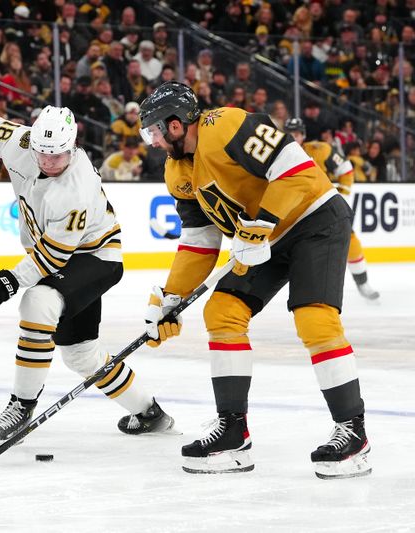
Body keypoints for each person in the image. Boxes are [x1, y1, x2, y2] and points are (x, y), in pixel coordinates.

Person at [137, 81, 370, 479]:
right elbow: (200, 240)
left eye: (154, 130)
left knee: (314, 319)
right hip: (263, 237)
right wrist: (170, 297)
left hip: (315, 218)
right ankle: (233, 432)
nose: (152, 140)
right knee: (222, 310)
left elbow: (295, 172)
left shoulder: (225, 125)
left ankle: (354, 433)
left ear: (175, 125)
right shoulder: (177, 171)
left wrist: (258, 226)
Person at [0, 106, 175, 448]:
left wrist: (4, 283)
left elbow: (53, 258)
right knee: (81, 354)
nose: (49, 163)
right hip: (62, 256)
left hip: (97, 256)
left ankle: (21, 408)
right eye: (42, 154)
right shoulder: (17, 142)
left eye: (58, 156)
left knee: (38, 302)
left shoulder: (76, 187)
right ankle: (149, 413)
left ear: (73, 147)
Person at [284, 118, 379, 300]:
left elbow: (346, 169)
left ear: (303, 135)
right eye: (289, 134)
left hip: (322, 207)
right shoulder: (276, 154)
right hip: (293, 210)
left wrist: (342, 196)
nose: (292, 138)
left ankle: (362, 282)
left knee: (348, 238)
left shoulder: (320, 150)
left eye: (296, 134)